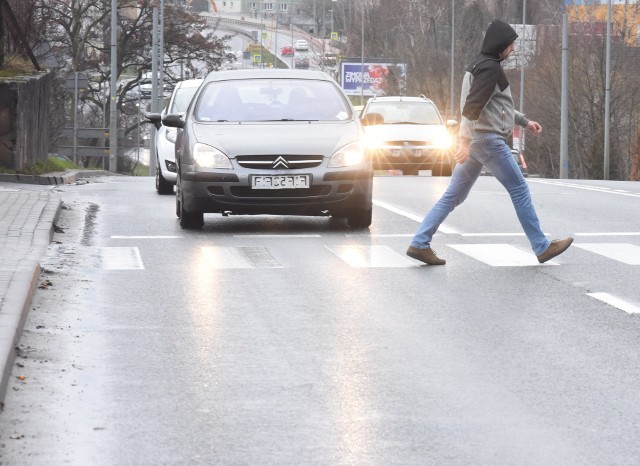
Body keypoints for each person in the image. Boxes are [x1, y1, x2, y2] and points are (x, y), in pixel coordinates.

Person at [406, 19, 573, 266]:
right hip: (486, 141)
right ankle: (541, 246)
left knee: (453, 195)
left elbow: (497, 107)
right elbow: (472, 108)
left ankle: (420, 243)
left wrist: (524, 121)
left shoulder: (478, 65)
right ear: (501, 45)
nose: (513, 49)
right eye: (511, 45)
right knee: (519, 190)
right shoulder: (490, 69)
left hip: (477, 141)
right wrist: (463, 142)